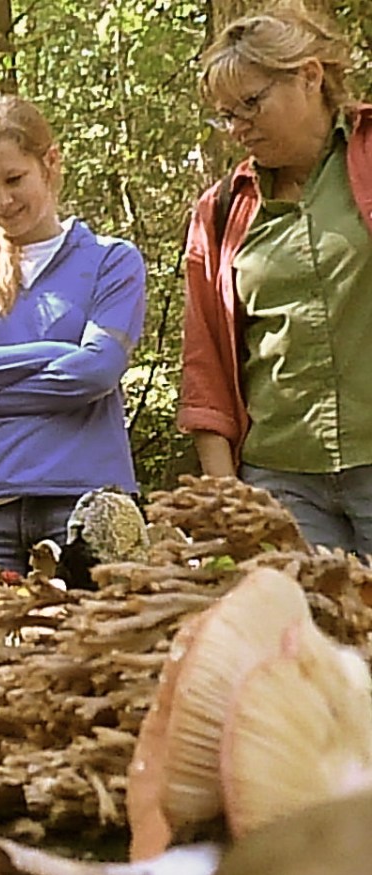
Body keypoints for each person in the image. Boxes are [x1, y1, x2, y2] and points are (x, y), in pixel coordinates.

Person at [0, 95, 147, 574]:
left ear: (50, 162)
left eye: (14, 179)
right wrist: (55, 353)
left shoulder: (112, 261)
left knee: (95, 648)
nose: (2, 201)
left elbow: (96, 372)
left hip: (86, 504)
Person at [179, 3, 372, 555]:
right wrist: (228, 499)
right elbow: (206, 368)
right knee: (298, 638)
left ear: (309, 76)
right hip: (281, 484)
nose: (238, 127)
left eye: (250, 104)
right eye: (225, 115)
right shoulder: (220, 211)